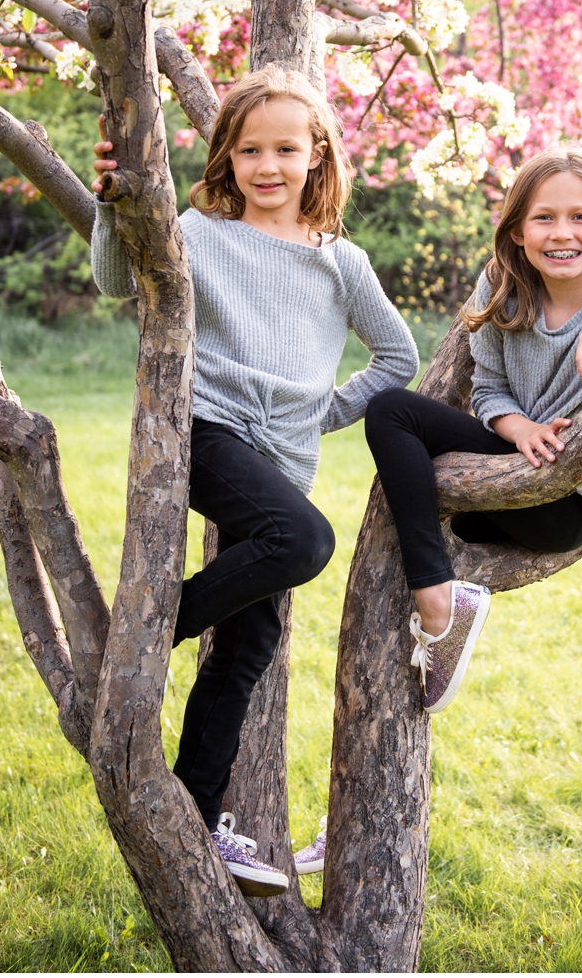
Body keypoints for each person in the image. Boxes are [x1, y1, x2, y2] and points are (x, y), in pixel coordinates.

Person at [91, 67, 419, 895]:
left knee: (247, 648)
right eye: (249, 150)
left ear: (318, 156)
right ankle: (145, 632)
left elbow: (399, 358)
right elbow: (115, 281)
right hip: (201, 432)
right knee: (303, 537)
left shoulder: (339, 261)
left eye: (285, 148)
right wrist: (111, 202)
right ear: (227, 157)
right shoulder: (200, 230)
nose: (267, 165)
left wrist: (323, 413)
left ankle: (199, 822)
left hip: (281, 456)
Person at [362, 147, 582, 716]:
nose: (562, 233)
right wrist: (518, 426)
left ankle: (435, 606)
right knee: (391, 410)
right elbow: (489, 391)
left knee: (398, 425)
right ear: (519, 231)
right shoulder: (502, 289)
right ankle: (440, 591)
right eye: (544, 218)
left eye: (581, 217)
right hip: (510, 468)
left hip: (563, 504)